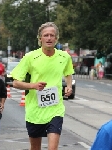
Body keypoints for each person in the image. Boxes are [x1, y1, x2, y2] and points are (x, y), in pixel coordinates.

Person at [11, 22, 74, 150]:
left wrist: (69, 86)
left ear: (56, 39)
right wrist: (33, 85)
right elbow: (15, 82)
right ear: (40, 39)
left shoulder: (65, 57)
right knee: (35, 148)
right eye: (46, 35)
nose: (49, 38)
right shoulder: (30, 57)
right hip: (34, 111)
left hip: (55, 109)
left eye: (52, 35)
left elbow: (68, 73)